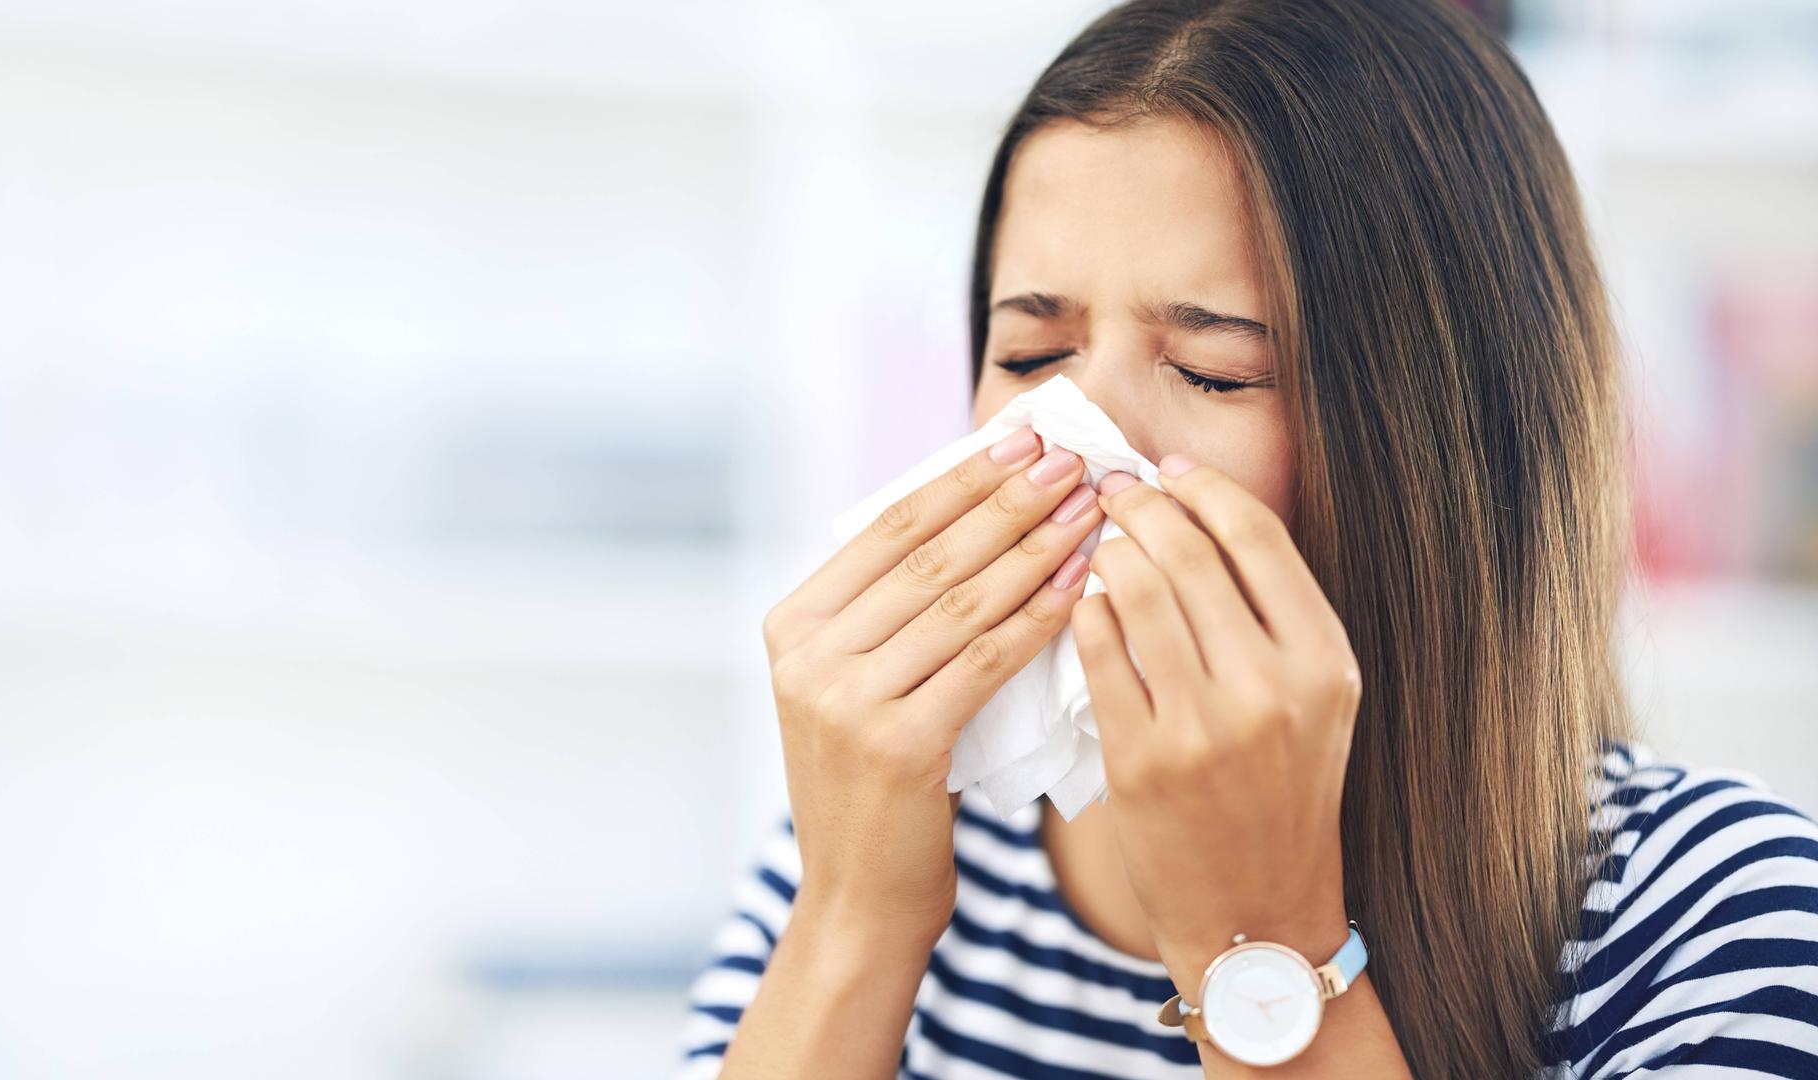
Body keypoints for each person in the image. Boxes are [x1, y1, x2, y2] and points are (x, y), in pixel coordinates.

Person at [676, 0, 1818, 1076]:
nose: (1077, 434)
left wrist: (1261, 943)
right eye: (1030, 356)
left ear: (1445, 437)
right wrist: (853, 919)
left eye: (1215, 370)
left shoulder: (1724, 919)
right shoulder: (886, 837)